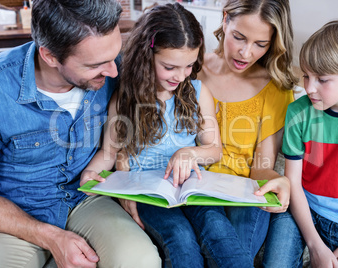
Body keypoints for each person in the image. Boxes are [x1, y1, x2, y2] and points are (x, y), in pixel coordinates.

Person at [0, 0, 161, 267]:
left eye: (115, 54)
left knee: (141, 260)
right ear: (50, 57)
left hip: (86, 198)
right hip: (12, 213)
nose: (115, 71)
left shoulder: (114, 68)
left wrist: (127, 178)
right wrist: (50, 237)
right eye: (97, 64)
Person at [80, 3, 255, 267]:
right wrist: (90, 173)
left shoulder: (197, 92)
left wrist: (189, 152)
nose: (181, 76)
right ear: (146, 55)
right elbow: (109, 152)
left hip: (193, 188)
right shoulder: (124, 99)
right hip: (148, 192)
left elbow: (213, 150)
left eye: (189, 66)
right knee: (180, 238)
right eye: (170, 67)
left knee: (219, 232)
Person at [263, 18, 338, 268]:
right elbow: (293, 183)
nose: (308, 88)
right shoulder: (298, 113)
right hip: (299, 211)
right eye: (306, 76)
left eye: (322, 79)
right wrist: (314, 245)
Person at [197, 0, 297, 260]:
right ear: (225, 19)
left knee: (234, 256)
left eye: (260, 44)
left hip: (244, 190)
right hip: (195, 184)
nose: (246, 53)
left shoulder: (275, 89)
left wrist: (279, 179)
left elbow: (261, 166)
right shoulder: (192, 69)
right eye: (239, 37)